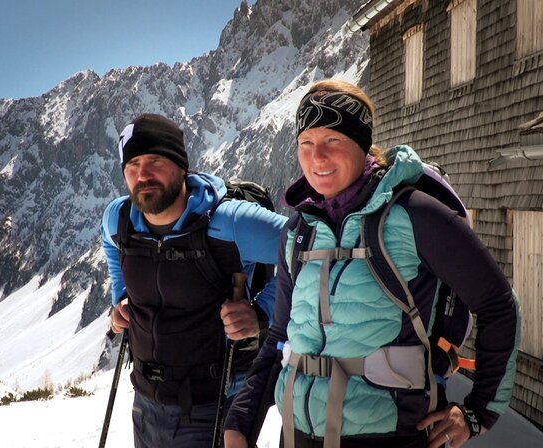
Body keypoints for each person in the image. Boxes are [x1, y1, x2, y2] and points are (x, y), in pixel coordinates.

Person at [223, 80, 521, 448]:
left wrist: (478, 412)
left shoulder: (415, 216)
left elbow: (498, 304)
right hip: (296, 435)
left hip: (390, 435)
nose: (318, 157)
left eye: (333, 140)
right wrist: (241, 420)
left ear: (361, 145)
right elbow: (281, 337)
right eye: (306, 143)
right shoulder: (298, 232)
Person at [101, 113, 288, 447]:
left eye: (155, 161)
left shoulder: (228, 222)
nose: (142, 175)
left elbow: (313, 250)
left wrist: (263, 311)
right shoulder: (119, 218)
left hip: (212, 408)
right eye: (132, 166)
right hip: (144, 405)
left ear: (180, 165)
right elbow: (109, 245)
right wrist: (121, 297)